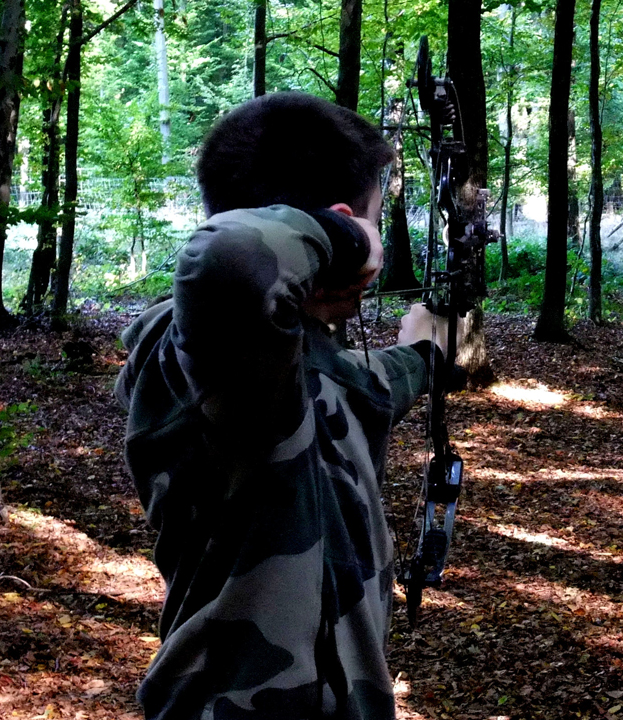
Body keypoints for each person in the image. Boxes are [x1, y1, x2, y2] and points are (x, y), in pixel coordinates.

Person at [115, 92, 453, 719]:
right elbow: (231, 258)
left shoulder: (299, 361)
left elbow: (362, 386)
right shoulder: (206, 359)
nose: (377, 240)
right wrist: (348, 238)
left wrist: (427, 353)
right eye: (374, 221)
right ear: (341, 226)